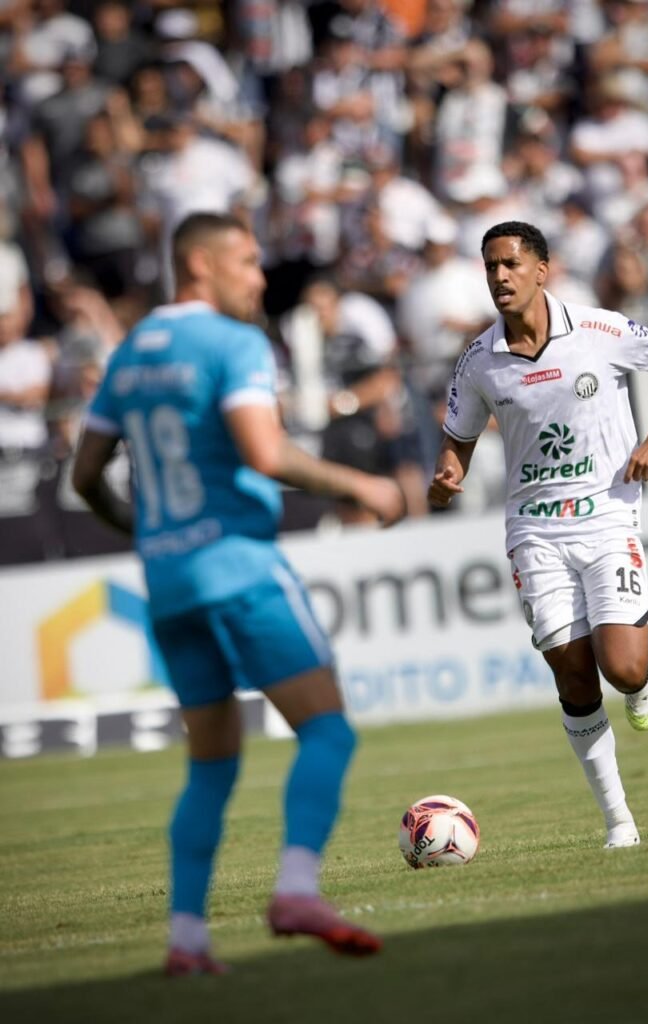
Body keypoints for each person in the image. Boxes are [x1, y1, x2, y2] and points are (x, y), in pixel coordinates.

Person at [71, 211, 405, 975]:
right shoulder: (233, 342)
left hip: (167, 582)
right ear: (200, 266)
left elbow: (85, 475)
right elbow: (264, 450)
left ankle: (187, 937)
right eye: (248, 262)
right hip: (239, 566)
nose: (259, 279)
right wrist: (362, 486)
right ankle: (296, 890)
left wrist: (146, 529)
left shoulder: (130, 352)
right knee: (327, 731)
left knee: (212, 767)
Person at [428, 221, 648, 848]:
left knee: (622, 668)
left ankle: (644, 676)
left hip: (606, 517)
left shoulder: (599, 330)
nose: (500, 276)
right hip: (534, 533)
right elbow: (457, 441)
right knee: (574, 677)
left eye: (511, 264)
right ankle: (619, 822)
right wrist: (447, 475)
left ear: (542, 270)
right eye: (490, 266)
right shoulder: (478, 360)